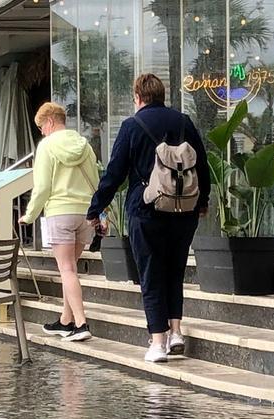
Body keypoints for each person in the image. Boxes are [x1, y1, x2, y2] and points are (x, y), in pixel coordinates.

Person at [87, 74, 210, 363]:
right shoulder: (183, 122)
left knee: (151, 274)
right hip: (184, 211)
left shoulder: (132, 126)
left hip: (146, 211)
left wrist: (96, 208)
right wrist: (201, 202)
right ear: (162, 94)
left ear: (138, 97)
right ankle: (176, 331)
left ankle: (158, 342)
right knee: (174, 270)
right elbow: (201, 165)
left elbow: (115, 173)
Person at [20, 101, 100, 342]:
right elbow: (96, 180)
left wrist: (30, 214)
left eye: (41, 127)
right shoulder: (84, 145)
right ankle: (66, 320)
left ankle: (81, 323)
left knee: (66, 270)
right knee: (71, 270)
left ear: (51, 122)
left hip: (60, 211)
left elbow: (43, 186)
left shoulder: (46, 146)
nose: (41, 132)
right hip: (85, 212)